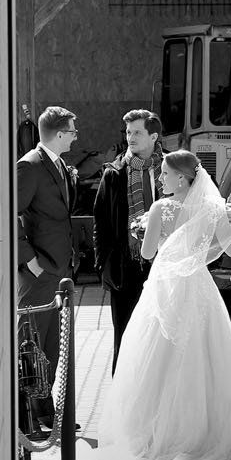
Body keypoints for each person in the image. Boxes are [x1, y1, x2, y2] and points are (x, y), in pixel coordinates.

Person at [84, 150, 231, 460]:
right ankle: (206, 433)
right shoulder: (214, 209)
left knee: (156, 353)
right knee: (204, 354)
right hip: (197, 286)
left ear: (181, 178)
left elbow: (148, 252)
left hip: (165, 285)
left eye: (165, 174)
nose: (161, 179)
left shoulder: (160, 209)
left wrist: (147, 233)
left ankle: (158, 432)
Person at [15, 105, 80, 431]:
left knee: (52, 346)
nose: (76, 137)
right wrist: (30, 260)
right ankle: (23, 417)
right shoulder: (30, 166)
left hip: (59, 271)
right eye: (72, 131)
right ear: (58, 134)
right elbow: (9, 213)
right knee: (30, 344)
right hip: (38, 273)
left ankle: (44, 411)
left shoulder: (59, 165)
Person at [92, 109, 164, 373]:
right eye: (128, 132)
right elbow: (100, 224)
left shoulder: (172, 168)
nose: (130, 138)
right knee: (125, 337)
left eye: (137, 132)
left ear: (153, 136)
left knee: (161, 338)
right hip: (127, 268)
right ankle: (122, 394)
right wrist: (104, 267)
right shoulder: (114, 174)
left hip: (164, 266)